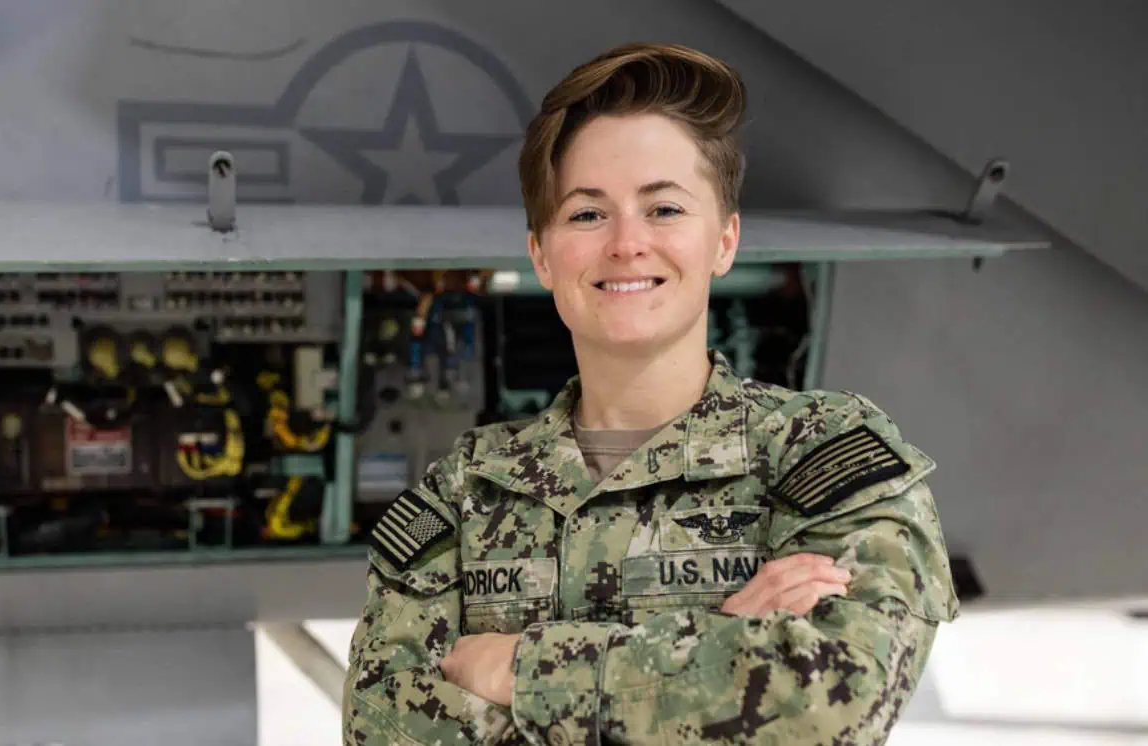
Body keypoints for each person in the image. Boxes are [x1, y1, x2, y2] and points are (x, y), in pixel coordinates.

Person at [342, 42, 958, 746]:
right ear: (541, 253)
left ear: (723, 240)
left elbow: (825, 703)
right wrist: (724, 643)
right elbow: (381, 729)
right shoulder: (468, 489)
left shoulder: (817, 453)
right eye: (585, 215)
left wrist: (516, 671)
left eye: (664, 208)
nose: (627, 244)